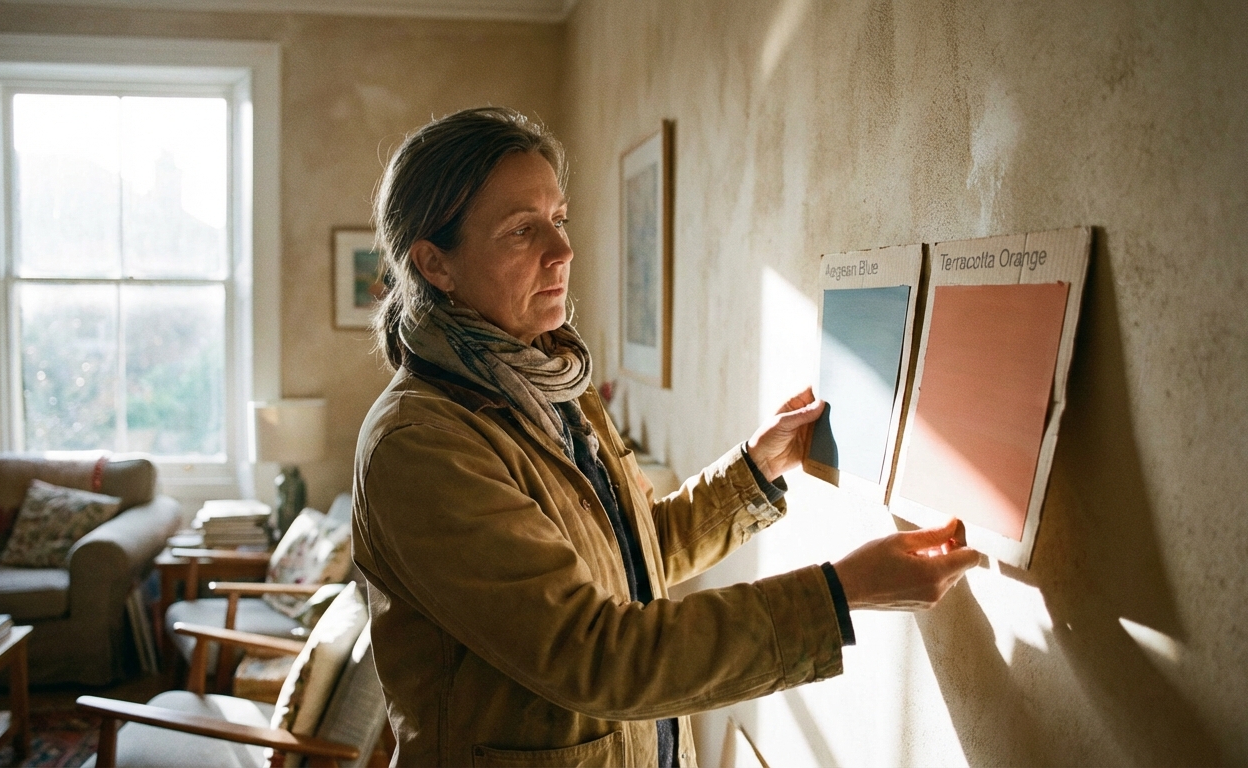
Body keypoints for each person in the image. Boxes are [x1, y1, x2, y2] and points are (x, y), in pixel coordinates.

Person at [350, 106, 981, 768]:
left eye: (559, 220)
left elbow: (629, 554)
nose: (562, 250)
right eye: (520, 230)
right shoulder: (419, 445)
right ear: (435, 265)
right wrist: (841, 593)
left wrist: (754, 469)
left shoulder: (553, 379)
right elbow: (592, 656)